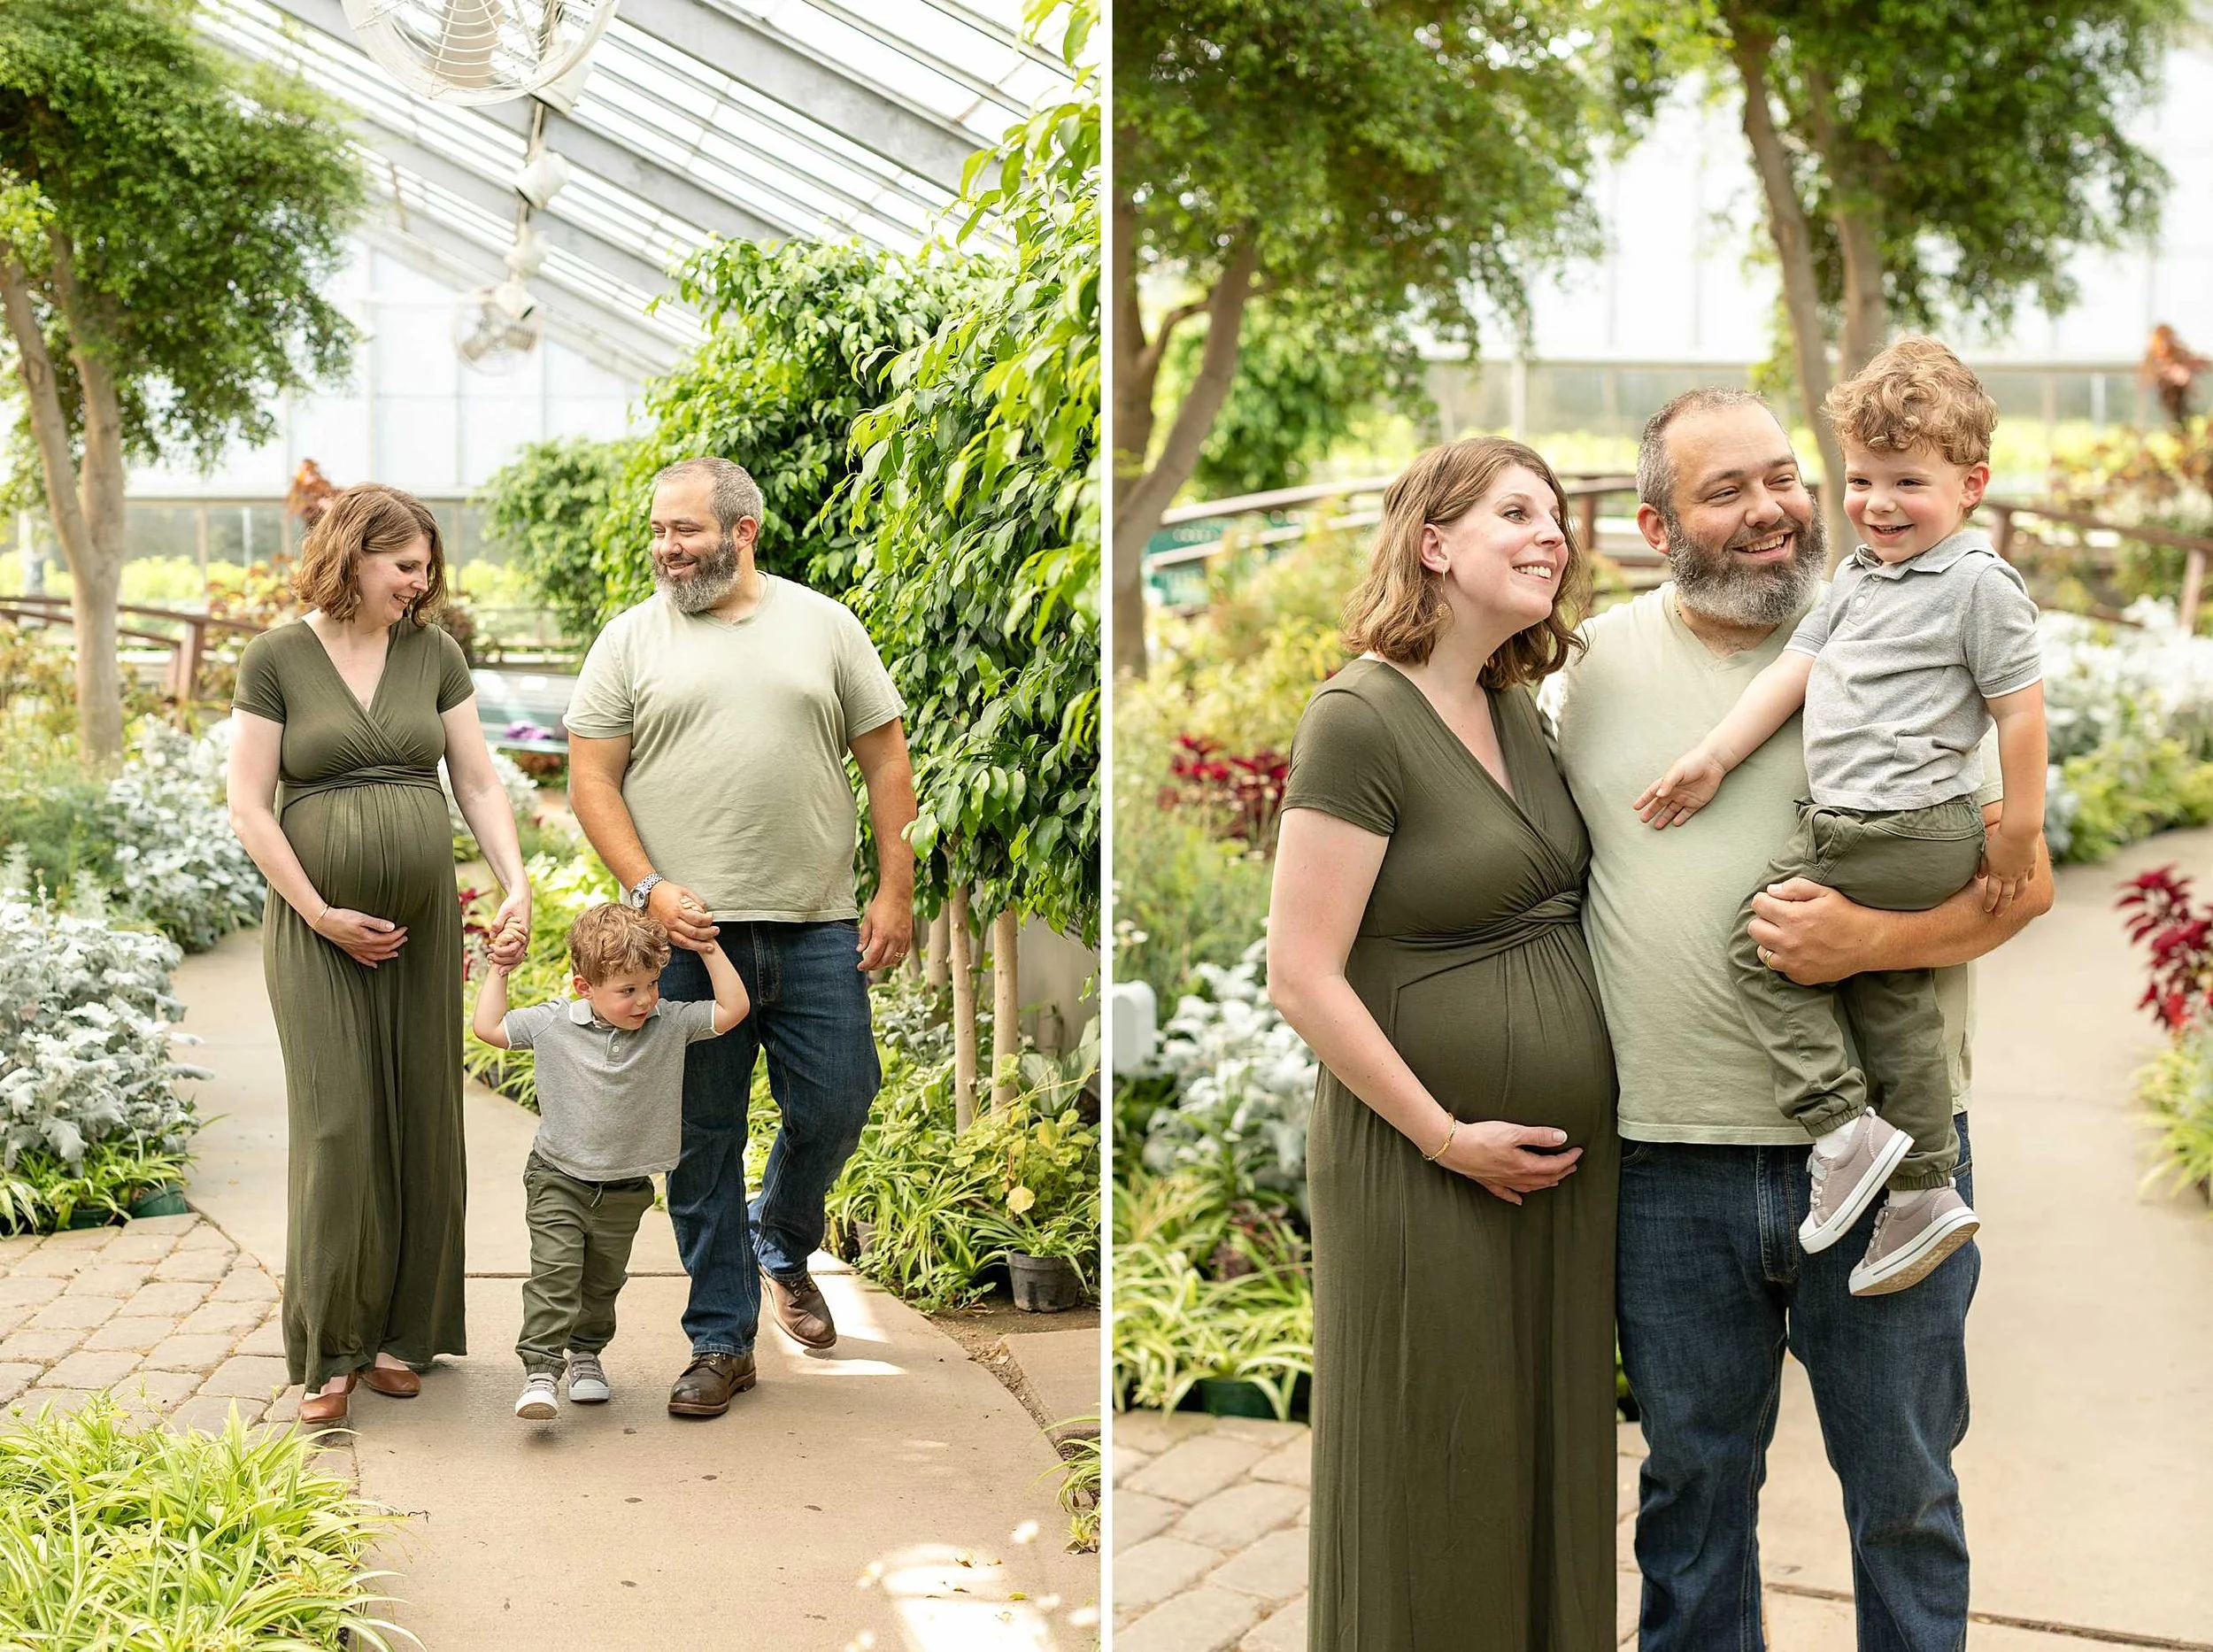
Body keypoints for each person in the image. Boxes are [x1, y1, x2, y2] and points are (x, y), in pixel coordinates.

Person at [1540, 388, 2053, 1648]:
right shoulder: (1589, 671)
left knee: (1905, 1499)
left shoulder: (1920, 631)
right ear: (1658, 525)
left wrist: (1869, 943)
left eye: (1785, 476)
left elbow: (2020, 885)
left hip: (1891, 1162)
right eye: (1728, 491)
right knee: (1693, 1492)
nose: (1775, 508)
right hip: (1669, 1160)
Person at [1268, 436, 1619, 1649]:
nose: (1553, 534)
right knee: (1438, 1458)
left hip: (1552, 1180)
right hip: (1429, 1165)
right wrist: (1449, 1134)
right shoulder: (1360, 717)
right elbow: (1301, 976)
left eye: (1558, 515)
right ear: (1433, 543)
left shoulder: (1510, 706)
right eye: (1517, 511)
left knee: (1544, 1456)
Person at [1635, 339, 2045, 1295]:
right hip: (1865, 827)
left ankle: (1842, 1128)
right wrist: (1712, 756)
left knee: (1759, 943)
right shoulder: (1860, 580)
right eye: (1860, 480)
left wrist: (2019, 831)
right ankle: (1922, 1189)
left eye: (1907, 481)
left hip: (1900, 827)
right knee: (1890, 996)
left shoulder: (1978, 584)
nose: (1879, 503)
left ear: (1971, 485)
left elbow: (2019, 711)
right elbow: (1793, 675)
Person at [565, 456, 919, 1420]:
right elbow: (590, 779)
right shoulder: (631, 640)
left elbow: (885, 759)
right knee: (699, 1142)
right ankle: (721, 1342)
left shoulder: (823, 625)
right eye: (659, 533)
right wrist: (647, 888)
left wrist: (895, 888)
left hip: (815, 925)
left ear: (742, 531)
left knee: (843, 1099)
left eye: (684, 531)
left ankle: (781, 1241)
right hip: (681, 939)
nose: (666, 550)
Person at [227, 483, 529, 1428]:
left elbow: (475, 780)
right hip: (316, 930)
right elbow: (247, 805)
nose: (420, 583)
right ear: (353, 555)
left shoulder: (432, 653)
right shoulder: (277, 656)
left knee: (422, 1120)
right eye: (405, 567)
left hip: (423, 924)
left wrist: (514, 881)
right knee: (338, 1127)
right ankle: (329, 1350)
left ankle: (406, 1336)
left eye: (427, 569)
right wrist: (319, 913)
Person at [472, 901, 750, 1421]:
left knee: (602, 1281)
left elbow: (733, 1009)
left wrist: (709, 949)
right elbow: (488, 1028)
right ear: (585, 988)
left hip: (625, 1186)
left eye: (651, 985)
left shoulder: (669, 1023)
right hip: (558, 1176)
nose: (645, 999)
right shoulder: (554, 1022)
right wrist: (500, 970)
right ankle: (540, 1372)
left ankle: (586, 1355)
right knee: (555, 1274)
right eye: (628, 990)